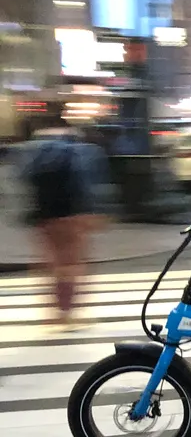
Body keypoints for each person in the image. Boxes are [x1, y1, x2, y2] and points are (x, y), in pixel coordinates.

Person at [18, 118, 112, 330]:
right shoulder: (81, 148)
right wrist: (94, 212)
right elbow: (90, 181)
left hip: (45, 216)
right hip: (74, 215)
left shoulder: (34, 148)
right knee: (73, 264)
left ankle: (53, 313)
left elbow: (23, 178)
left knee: (52, 265)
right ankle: (70, 312)